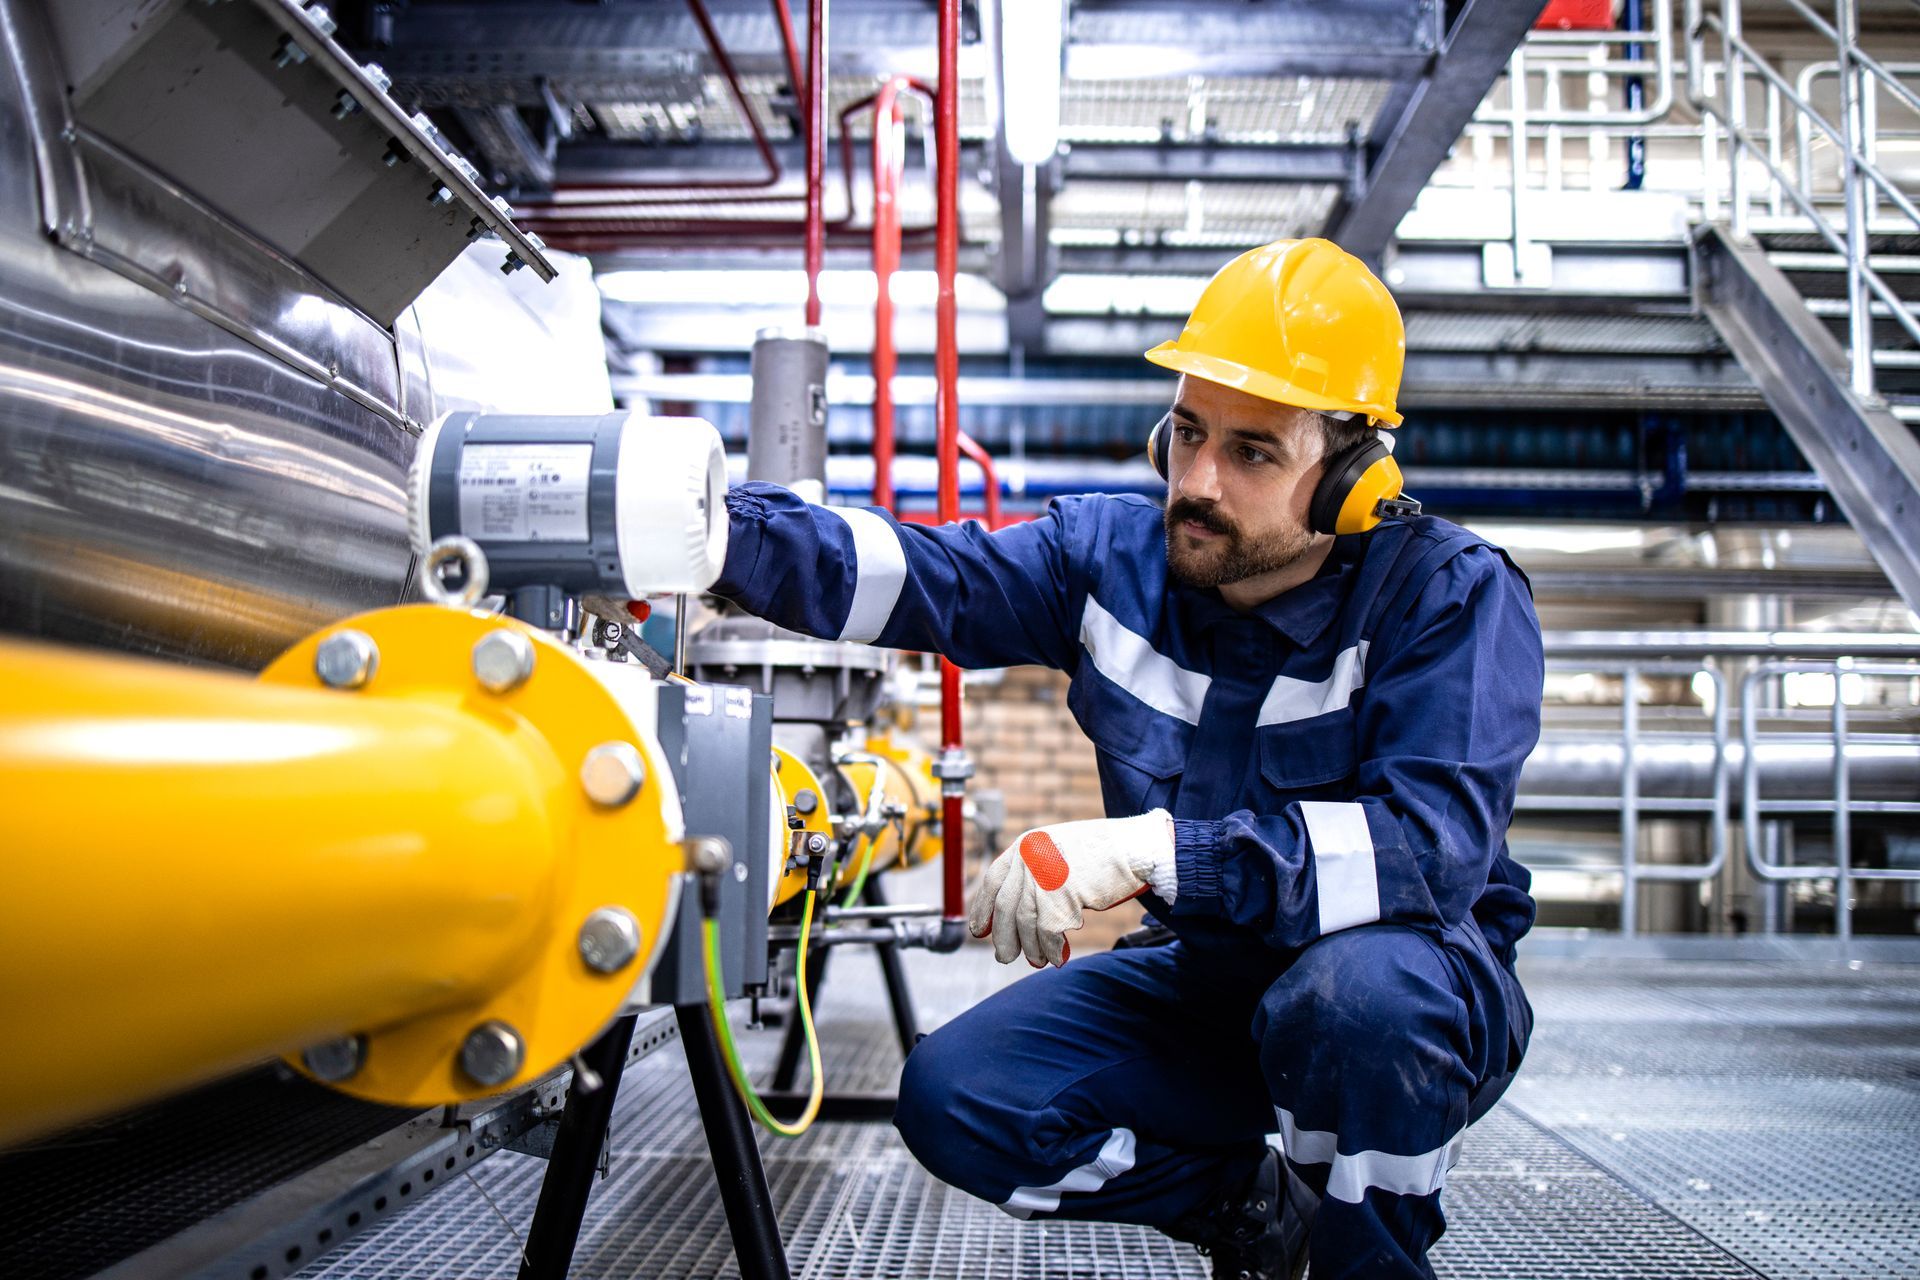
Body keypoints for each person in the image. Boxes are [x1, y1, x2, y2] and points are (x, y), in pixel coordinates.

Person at [709, 238, 1542, 1279]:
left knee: (1352, 1001)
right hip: (1203, 973)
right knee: (960, 1096)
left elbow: (1426, 854)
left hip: (1404, 991)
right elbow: (926, 575)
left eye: (1252, 452)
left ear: (1350, 481)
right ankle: (1254, 1204)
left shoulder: (1447, 597)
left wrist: (1162, 851)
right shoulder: (1108, 561)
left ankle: (1367, 1264)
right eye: (1187, 431)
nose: (1195, 480)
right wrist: (711, 537)